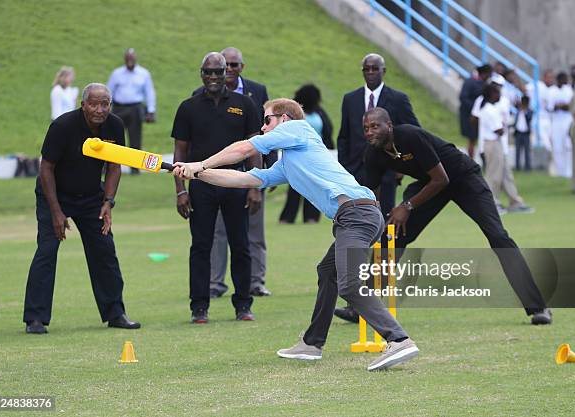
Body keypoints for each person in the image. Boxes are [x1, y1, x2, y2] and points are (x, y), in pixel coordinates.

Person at [173, 98, 419, 371]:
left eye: (267, 121)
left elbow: (244, 148)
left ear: (284, 119)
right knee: (328, 272)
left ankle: (398, 339)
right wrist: (198, 173)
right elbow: (245, 179)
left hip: (357, 214)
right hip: (353, 217)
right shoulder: (288, 162)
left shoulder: (298, 129)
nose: (263, 128)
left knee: (349, 285)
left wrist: (202, 162)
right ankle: (311, 344)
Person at [361, 107, 552, 326]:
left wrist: (407, 205)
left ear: (389, 125)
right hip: (429, 185)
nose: (369, 132)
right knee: (392, 235)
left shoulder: (411, 135)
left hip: (463, 178)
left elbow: (442, 179)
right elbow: (370, 193)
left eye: (375, 126)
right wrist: (372, 219)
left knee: (498, 237)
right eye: (366, 128)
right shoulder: (373, 153)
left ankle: (538, 307)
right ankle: (363, 305)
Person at [23, 83, 141, 334]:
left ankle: (115, 313)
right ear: (83, 105)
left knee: (105, 251)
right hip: (54, 194)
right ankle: (35, 318)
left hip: (91, 198)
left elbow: (114, 166)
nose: (99, 109)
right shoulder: (63, 126)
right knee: (47, 250)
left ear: (110, 105)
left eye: (104, 104)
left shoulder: (115, 126)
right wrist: (56, 211)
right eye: (94, 104)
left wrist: (108, 202)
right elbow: (46, 169)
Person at [171, 52, 260, 324]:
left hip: (236, 182)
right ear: (201, 74)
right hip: (201, 185)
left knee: (241, 244)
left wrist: (256, 185)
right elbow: (180, 152)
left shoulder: (244, 104)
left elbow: (255, 147)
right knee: (201, 246)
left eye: (218, 72)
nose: (212, 77)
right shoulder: (189, 107)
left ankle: (243, 305)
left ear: (227, 74)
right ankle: (199, 307)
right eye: (207, 72)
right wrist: (181, 190)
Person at [335, 53, 420, 323]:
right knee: (356, 236)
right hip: (356, 179)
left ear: (384, 70)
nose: (370, 72)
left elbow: (413, 133)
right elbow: (344, 137)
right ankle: (357, 297)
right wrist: (346, 171)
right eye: (366, 68)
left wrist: (398, 169)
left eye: (375, 68)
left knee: (383, 235)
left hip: (385, 179)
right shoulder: (350, 99)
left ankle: (371, 297)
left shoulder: (398, 99)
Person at [199, 47, 273, 298]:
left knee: (254, 231)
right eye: (224, 66)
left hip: (250, 174)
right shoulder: (201, 95)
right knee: (218, 232)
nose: (228, 70)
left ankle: (256, 281)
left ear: (241, 67)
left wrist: (265, 175)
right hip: (217, 175)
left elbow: (267, 133)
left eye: (233, 65)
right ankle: (215, 283)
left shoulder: (257, 92)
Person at [279, 84, 334, 224]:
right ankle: (287, 218)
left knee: (314, 186)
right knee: (295, 187)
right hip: (296, 155)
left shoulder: (318, 112)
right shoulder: (294, 113)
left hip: (315, 156)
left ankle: (311, 217)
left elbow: (328, 130)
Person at [477, 83, 532, 213]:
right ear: (491, 95)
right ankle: (492, 203)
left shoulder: (491, 108)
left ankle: (515, 202)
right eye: (496, 93)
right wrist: (504, 126)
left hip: (497, 144)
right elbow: (499, 130)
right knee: (494, 175)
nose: (499, 95)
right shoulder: (489, 109)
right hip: (492, 143)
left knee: (506, 174)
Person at [107, 48, 156, 174]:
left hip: (135, 108)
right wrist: (107, 108)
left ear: (135, 59)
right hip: (119, 108)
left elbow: (149, 92)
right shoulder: (117, 73)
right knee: (114, 137)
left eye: (132, 58)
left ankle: (134, 168)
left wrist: (151, 110)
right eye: (127, 58)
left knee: (135, 138)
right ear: (124, 59)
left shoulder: (143, 73)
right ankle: (110, 166)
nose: (130, 61)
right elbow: (109, 90)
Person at [459, 64, 492, 159]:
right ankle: (471, 160)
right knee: (472, 139)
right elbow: (463, 97)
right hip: (470, 116)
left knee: (482, 139)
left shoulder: (486, 84)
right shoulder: (470, 82)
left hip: (482, 116)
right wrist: (475, 109)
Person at [549, 72, 574, 178]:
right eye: (564, 79)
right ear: (559, 80)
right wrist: (560, 105)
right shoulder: (552, 91)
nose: (565, 81)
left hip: (568, 121)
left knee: (568, 146)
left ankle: (569, 171)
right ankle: (560, 172)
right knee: (557, 147)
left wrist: (561, 105)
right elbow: (551, 107)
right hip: (556, 122)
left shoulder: (569, 90)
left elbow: (570, 106)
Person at [513, 96, 533, 171]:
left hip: (526, 133)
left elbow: (529, 118)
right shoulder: (518, 110)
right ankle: (517, 167)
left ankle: (527, 167)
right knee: (517, 151)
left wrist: (524, 111)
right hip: (518, 133)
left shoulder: (529, 111)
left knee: (527, 151)